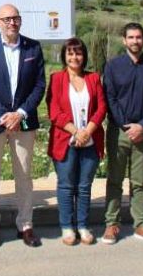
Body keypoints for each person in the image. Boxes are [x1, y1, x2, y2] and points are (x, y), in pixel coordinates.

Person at [0, 4, 46, 248]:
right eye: (6, 19)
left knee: (24, 175)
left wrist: (20, 113)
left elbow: (39, 85)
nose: (11, 23)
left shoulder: (33, 47)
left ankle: (25, 225)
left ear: (21, 20)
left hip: (23, 122)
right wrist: (3, 115)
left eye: (15, 18)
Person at [101, 22, 143, 245]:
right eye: (131, 37)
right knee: (115, 179)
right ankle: (112, 224)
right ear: (124, 40)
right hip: (118, 132)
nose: (135, 41)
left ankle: (141, 224)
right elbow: (110, 98)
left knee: (139, 182)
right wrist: (127, 125)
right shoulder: (112, 66)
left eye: (138, 37)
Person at [46, 37, 107, 245]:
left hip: (90, 140)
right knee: (65, 185)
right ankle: (66, 227)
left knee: (83, 186)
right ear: (64, 55)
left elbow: (101, 108)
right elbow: (54, 111)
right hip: (65, 139)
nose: (74, 57)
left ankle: (82, 225)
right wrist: (75, 132)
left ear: (84, 56)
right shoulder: (56, 79)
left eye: (78, 53)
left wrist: (87, 131)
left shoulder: (94, 78)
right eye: (70, 53)